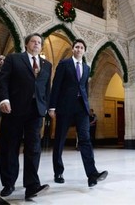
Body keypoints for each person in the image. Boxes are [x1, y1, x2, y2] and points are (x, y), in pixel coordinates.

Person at [0, 33, 52, 199]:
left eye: (39, 42)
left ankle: (32, 186)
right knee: (9, 146)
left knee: (34, 148)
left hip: (36, 111)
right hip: (14, 109)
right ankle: (8, 183)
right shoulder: (14, 59)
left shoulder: (47, 65)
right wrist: (4, 99)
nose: (36, 44)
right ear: (27, 44)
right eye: (33, 41)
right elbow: (3, 81)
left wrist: (47, 107)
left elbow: (46, 89)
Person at [48, 39, 108, 187]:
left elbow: (84, 89)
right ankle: (58, 172)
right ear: (73, 49)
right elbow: (56, 86)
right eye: (77, 47)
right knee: (60, 140)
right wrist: (52, 107)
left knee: (85, 139)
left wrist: (87, 105)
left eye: (81, 47)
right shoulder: (64, 64)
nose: (79, 49)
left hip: (81, 108)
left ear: (84, 51)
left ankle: (92, 174)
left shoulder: (87, 68)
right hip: (65, 107)